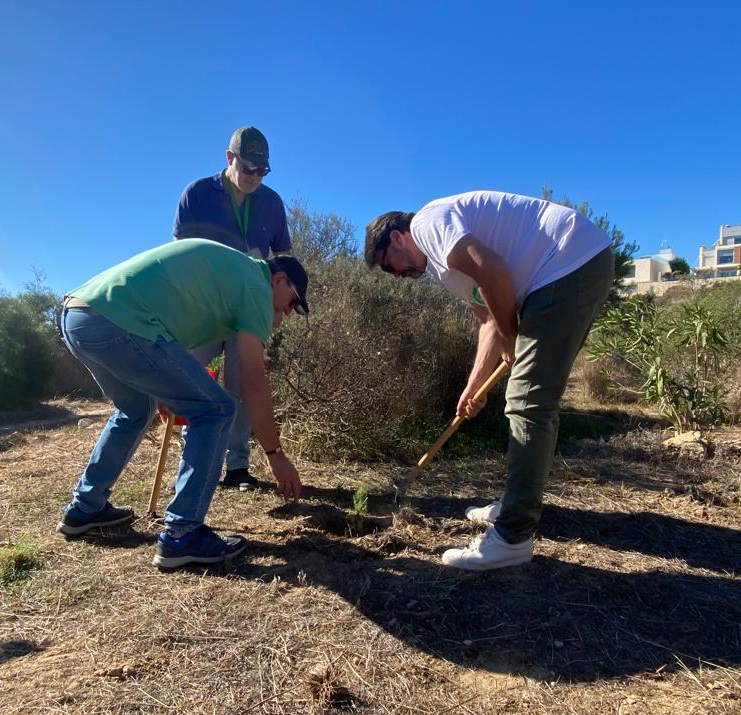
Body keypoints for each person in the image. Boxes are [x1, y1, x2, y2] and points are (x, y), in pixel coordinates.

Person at [363, 191, 614, 571]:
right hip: (569, 267)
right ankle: (516, 502)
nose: (396, 275)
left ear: (397, 237)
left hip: (565, 264)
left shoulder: (427, 224)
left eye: (388, 265)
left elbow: (495, 272)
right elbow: (488, 318)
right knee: (531, 400)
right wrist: (473, 384)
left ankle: (512, 537)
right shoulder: (444, 264)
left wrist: (514, 337)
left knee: (528, 404)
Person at [55, 238, 308, 569]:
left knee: (135, 411)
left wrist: (171, 387)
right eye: (293, 302)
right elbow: (254, 383)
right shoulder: (257, 286)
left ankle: (84, 509)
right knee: (217, 410)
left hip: (80, 316)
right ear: (279, 280)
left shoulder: (233, 273)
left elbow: (177, 330)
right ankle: (182, 536)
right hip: (120, 323)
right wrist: (276, 456)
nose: (288, 312)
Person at [173, 126, 292, 492]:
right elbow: (178, 254)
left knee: (242, 386)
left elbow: (282, 259)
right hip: (203, 310)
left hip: (246, 313)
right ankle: (194, 461)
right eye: (249, 169)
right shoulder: (197, 194)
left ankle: (237, 467)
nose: (255, 177)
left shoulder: (272, 203)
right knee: (189, 381)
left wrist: (274, 307)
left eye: (262, 171)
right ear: (230, 159)